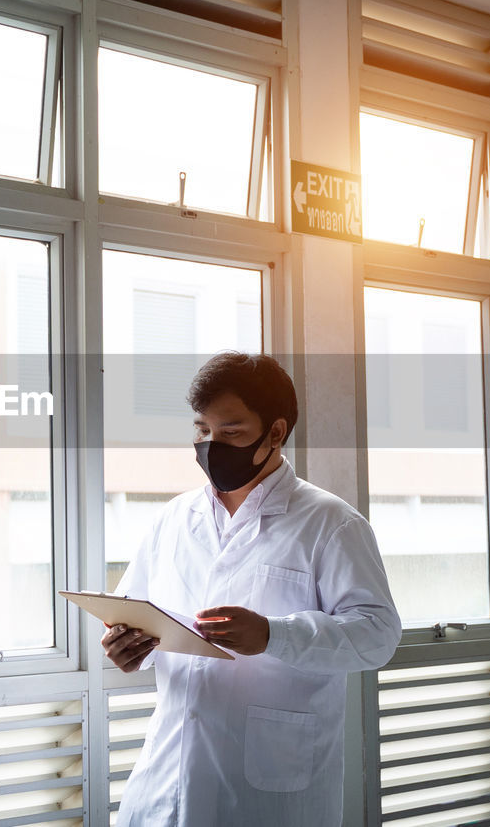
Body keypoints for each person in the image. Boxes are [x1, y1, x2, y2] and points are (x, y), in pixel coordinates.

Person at [103, 352, 401, 827]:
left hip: (270, 794)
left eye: (231, 432)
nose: (210, 444)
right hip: (167, 779)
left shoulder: (331, 524)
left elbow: (377, 634)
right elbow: (134, 612)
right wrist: (128, 648)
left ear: (276, 433)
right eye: (202, 430)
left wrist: (272, 635)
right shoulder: (173, 520)